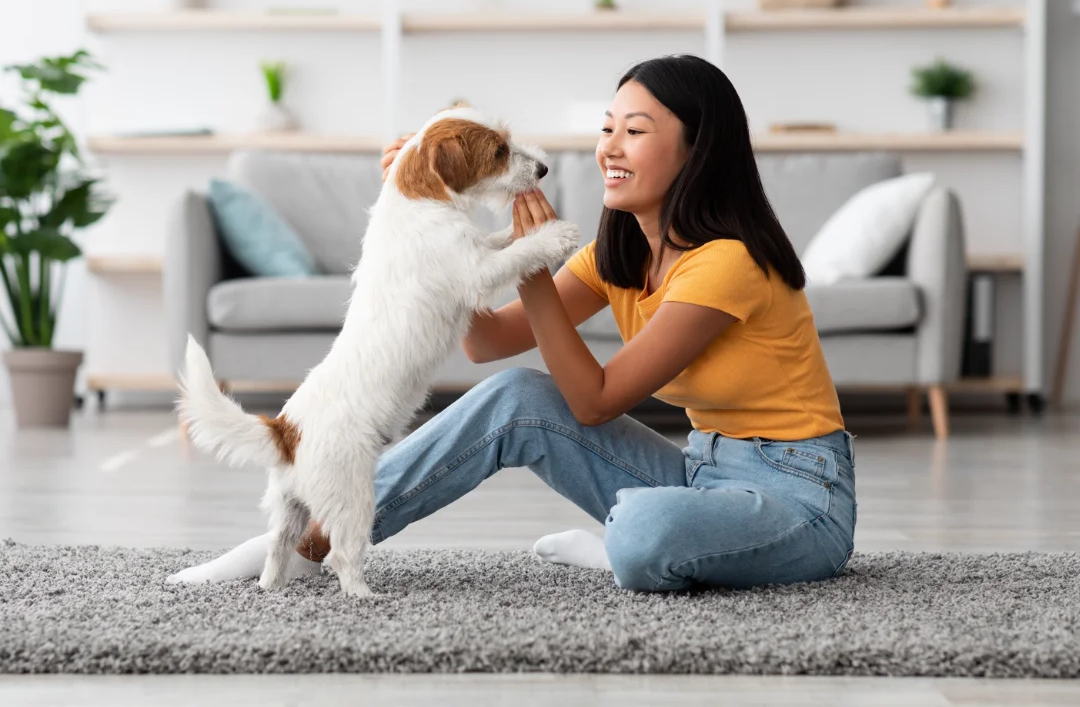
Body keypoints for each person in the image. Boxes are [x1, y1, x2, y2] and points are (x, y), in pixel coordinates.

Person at [167, 54, 857, 593]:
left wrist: (528, 269)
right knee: (515, 398)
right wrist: (433, 208)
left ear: (696, 150)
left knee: (647, 531)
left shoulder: (726, 264)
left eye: (636, 132)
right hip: (701, 472)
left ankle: (630, 547)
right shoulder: (618, 252)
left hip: (799, 495)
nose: (611, 147)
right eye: (607, 127)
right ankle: (310, 543)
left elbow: (595, 401)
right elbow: (486, 341)